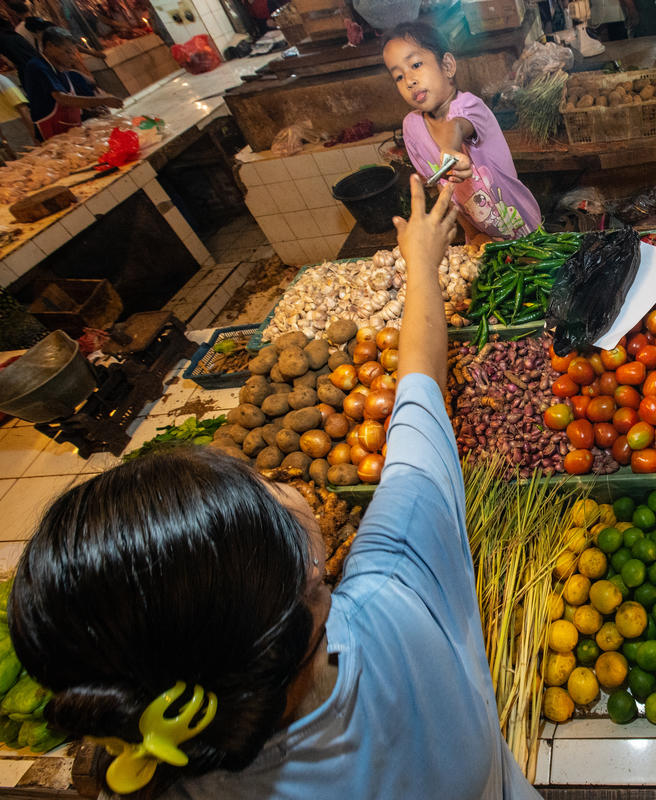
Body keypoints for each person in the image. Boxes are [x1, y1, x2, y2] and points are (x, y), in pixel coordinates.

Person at [8, 178, 542, 800]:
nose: (279, 480)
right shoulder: (396, 589)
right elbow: (420, 387)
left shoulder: (176, 778)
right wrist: (421, 262)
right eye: (266, 491)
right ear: (311, 571)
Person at [385, 22, 541, 246]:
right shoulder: (412, 129)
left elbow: (456, 126)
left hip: (524, 228)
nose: (409, 81)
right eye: (399, 77)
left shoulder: (470, 107)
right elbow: (442, 189)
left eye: (416, 64)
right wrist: (473, 232)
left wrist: (448, 150)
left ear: (447, 65)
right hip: (480, 239)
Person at [22, 26, 120, 140]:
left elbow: (70, 100)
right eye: (67, 52)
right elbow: (62, 99)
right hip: (53, 135)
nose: (72, 58)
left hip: (72, 131)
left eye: (73, 53)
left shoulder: (59, 67)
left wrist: (87, 113)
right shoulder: (37, 66)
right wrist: (103, 100)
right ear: (50, 46)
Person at [0, 72, 36, 151]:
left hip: (20, 126)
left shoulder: (1, 80)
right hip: (8, 130)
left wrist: (35, 136)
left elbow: (22, 108)